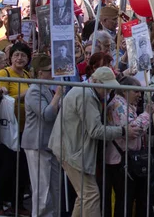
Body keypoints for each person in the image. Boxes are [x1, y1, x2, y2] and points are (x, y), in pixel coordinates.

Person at [48, 67, 142, 216]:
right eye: (107, 87)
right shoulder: (86, 96)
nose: (109, 91)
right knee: (91, 194)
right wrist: (123, 130)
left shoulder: (87, 92)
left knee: (85, 195)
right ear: (97, 82)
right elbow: (96, 130)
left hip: (71, 148)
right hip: (72, 150)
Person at [0, 43, 32, 216]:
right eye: (16, 55)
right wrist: (23, 96)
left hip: (24, 128)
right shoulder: (4, 73)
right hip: (8, 128)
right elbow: (1, 98)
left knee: (22, 169)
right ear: (10, 57)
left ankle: (17, 203)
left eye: (23, 55)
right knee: (6, 167)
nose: (19, 58)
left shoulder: (28, 75)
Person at [105, 76, 154, 217]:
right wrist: (147, 114)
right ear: (125, 91)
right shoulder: (118, 106)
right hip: (121, 161)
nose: (139, 95)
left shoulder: (124, 104)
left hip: (127, 159)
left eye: (140, 91)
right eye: (136, 91)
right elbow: (132, 131)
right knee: (124, 199)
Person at [22, 55, 62, 217]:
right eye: (48, 70)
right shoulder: (33, 91)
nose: (52, 73)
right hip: (37, 145)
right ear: (39, 73)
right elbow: (47, 115)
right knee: (42, 188)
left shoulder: (44, 88)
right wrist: (58, 96)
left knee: (53, 187)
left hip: (48, 144)